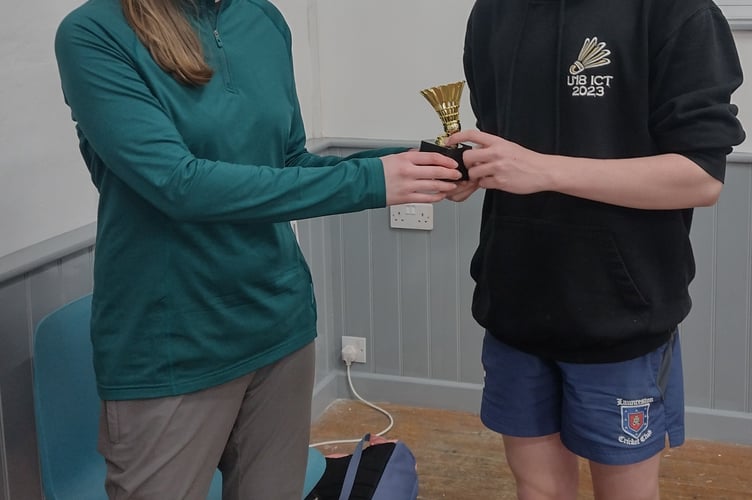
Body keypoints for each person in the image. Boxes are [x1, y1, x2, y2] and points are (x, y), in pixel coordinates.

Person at [53, 0, 461, 498]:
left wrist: (415, 164)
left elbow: (288, 162)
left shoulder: (262, 19)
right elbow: (178, 185)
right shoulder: (94, 32)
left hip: (278, 325)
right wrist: (372, 181)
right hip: (173, 341)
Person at [444, 1, 746, 499]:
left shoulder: (676, 12)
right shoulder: (493, 11)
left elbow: (701, 176)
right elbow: (504, 144)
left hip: (618, 314)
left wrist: (544, 171)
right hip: (513, 303)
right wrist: (471, 170)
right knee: (537, 488)